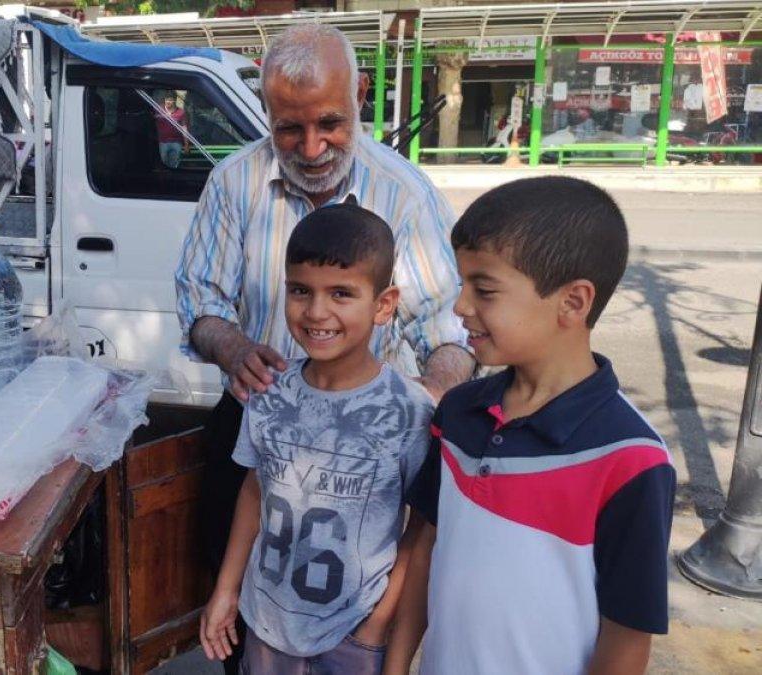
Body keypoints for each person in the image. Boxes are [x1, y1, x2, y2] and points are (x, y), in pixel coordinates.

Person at [174, 24, 473, 672]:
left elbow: (450, 324)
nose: (311, 147)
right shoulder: (233, 184)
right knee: (250, 614)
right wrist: (230, 344)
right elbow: (199, 298)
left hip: (370, 448)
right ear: (266, 111)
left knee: (353, 616)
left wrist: (433, 395)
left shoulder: (405, 193)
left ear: (360, 95)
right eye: (289, 128)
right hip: (263, 421)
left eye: (330, 123)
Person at [385, 176, 676, 675]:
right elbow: (425, 550)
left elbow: (627, 636)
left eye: (485, 290)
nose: (460, 307)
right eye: (461, 284)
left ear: (573, 302)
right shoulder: (458, 415)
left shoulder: (630, 460)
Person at [200, 202, 434, 674]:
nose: (316, 311)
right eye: (301, 290)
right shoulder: (267, 392)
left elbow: (421, 531)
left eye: (342, 293)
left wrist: (378, 627)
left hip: (353, 632)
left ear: (384, 304)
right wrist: (226, 591)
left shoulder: (408, 411)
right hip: (266, 623)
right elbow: (253, 489)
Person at [156, 92, 189, 168]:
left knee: (174, 165)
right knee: (162, 165)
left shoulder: (181, 112)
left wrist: (186, 144)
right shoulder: (158, 110)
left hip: (176, 143)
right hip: (162, 143)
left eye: (170, 100)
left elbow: (184, 128)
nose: (168, 102)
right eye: (167, 100)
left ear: (175, 101)